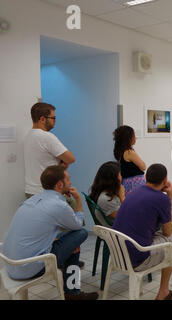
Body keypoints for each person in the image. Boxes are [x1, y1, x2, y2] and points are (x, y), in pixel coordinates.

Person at [2, 165, 98, 300]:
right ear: (60, 184)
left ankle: (72, 289)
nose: (70, 183)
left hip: (11, 264)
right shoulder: (58, 205)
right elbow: (77, 225)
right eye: (68, 180)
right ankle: (72, 293)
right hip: (29, 268)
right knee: (80, 234)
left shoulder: (30, 200)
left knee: (72, 243)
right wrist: (78, 200)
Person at [113, 163, 172, 300]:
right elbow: (167, 231)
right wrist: (171, 195)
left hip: (118, 254)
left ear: (146, 177)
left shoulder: (134, 192)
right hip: (138, 259)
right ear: (165, 180)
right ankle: (165, 288)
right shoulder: (162, 198)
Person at [24, 102, 75, 198]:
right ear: (42, 119)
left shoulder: (28, 135)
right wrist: (62, 163)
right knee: (72, 206)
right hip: (46, 192)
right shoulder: (46, 137)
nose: (55, 121)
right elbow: (71, 158)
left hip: (31, 191)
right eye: (53, 118)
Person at [113, 125, 146, 197]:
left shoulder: (120, 152)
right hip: (135, 184)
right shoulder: (129, 152)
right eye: (134, 136)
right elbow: (143, 166)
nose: (135, 138)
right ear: (128, 138)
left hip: (126, 183)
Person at [89, 161, 125, 226]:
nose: (122, 177)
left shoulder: (109, 195)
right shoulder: (105, 199)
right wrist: (122, 196)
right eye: (120, 174)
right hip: (121, 232)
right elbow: (125, 217)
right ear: (113, 178)